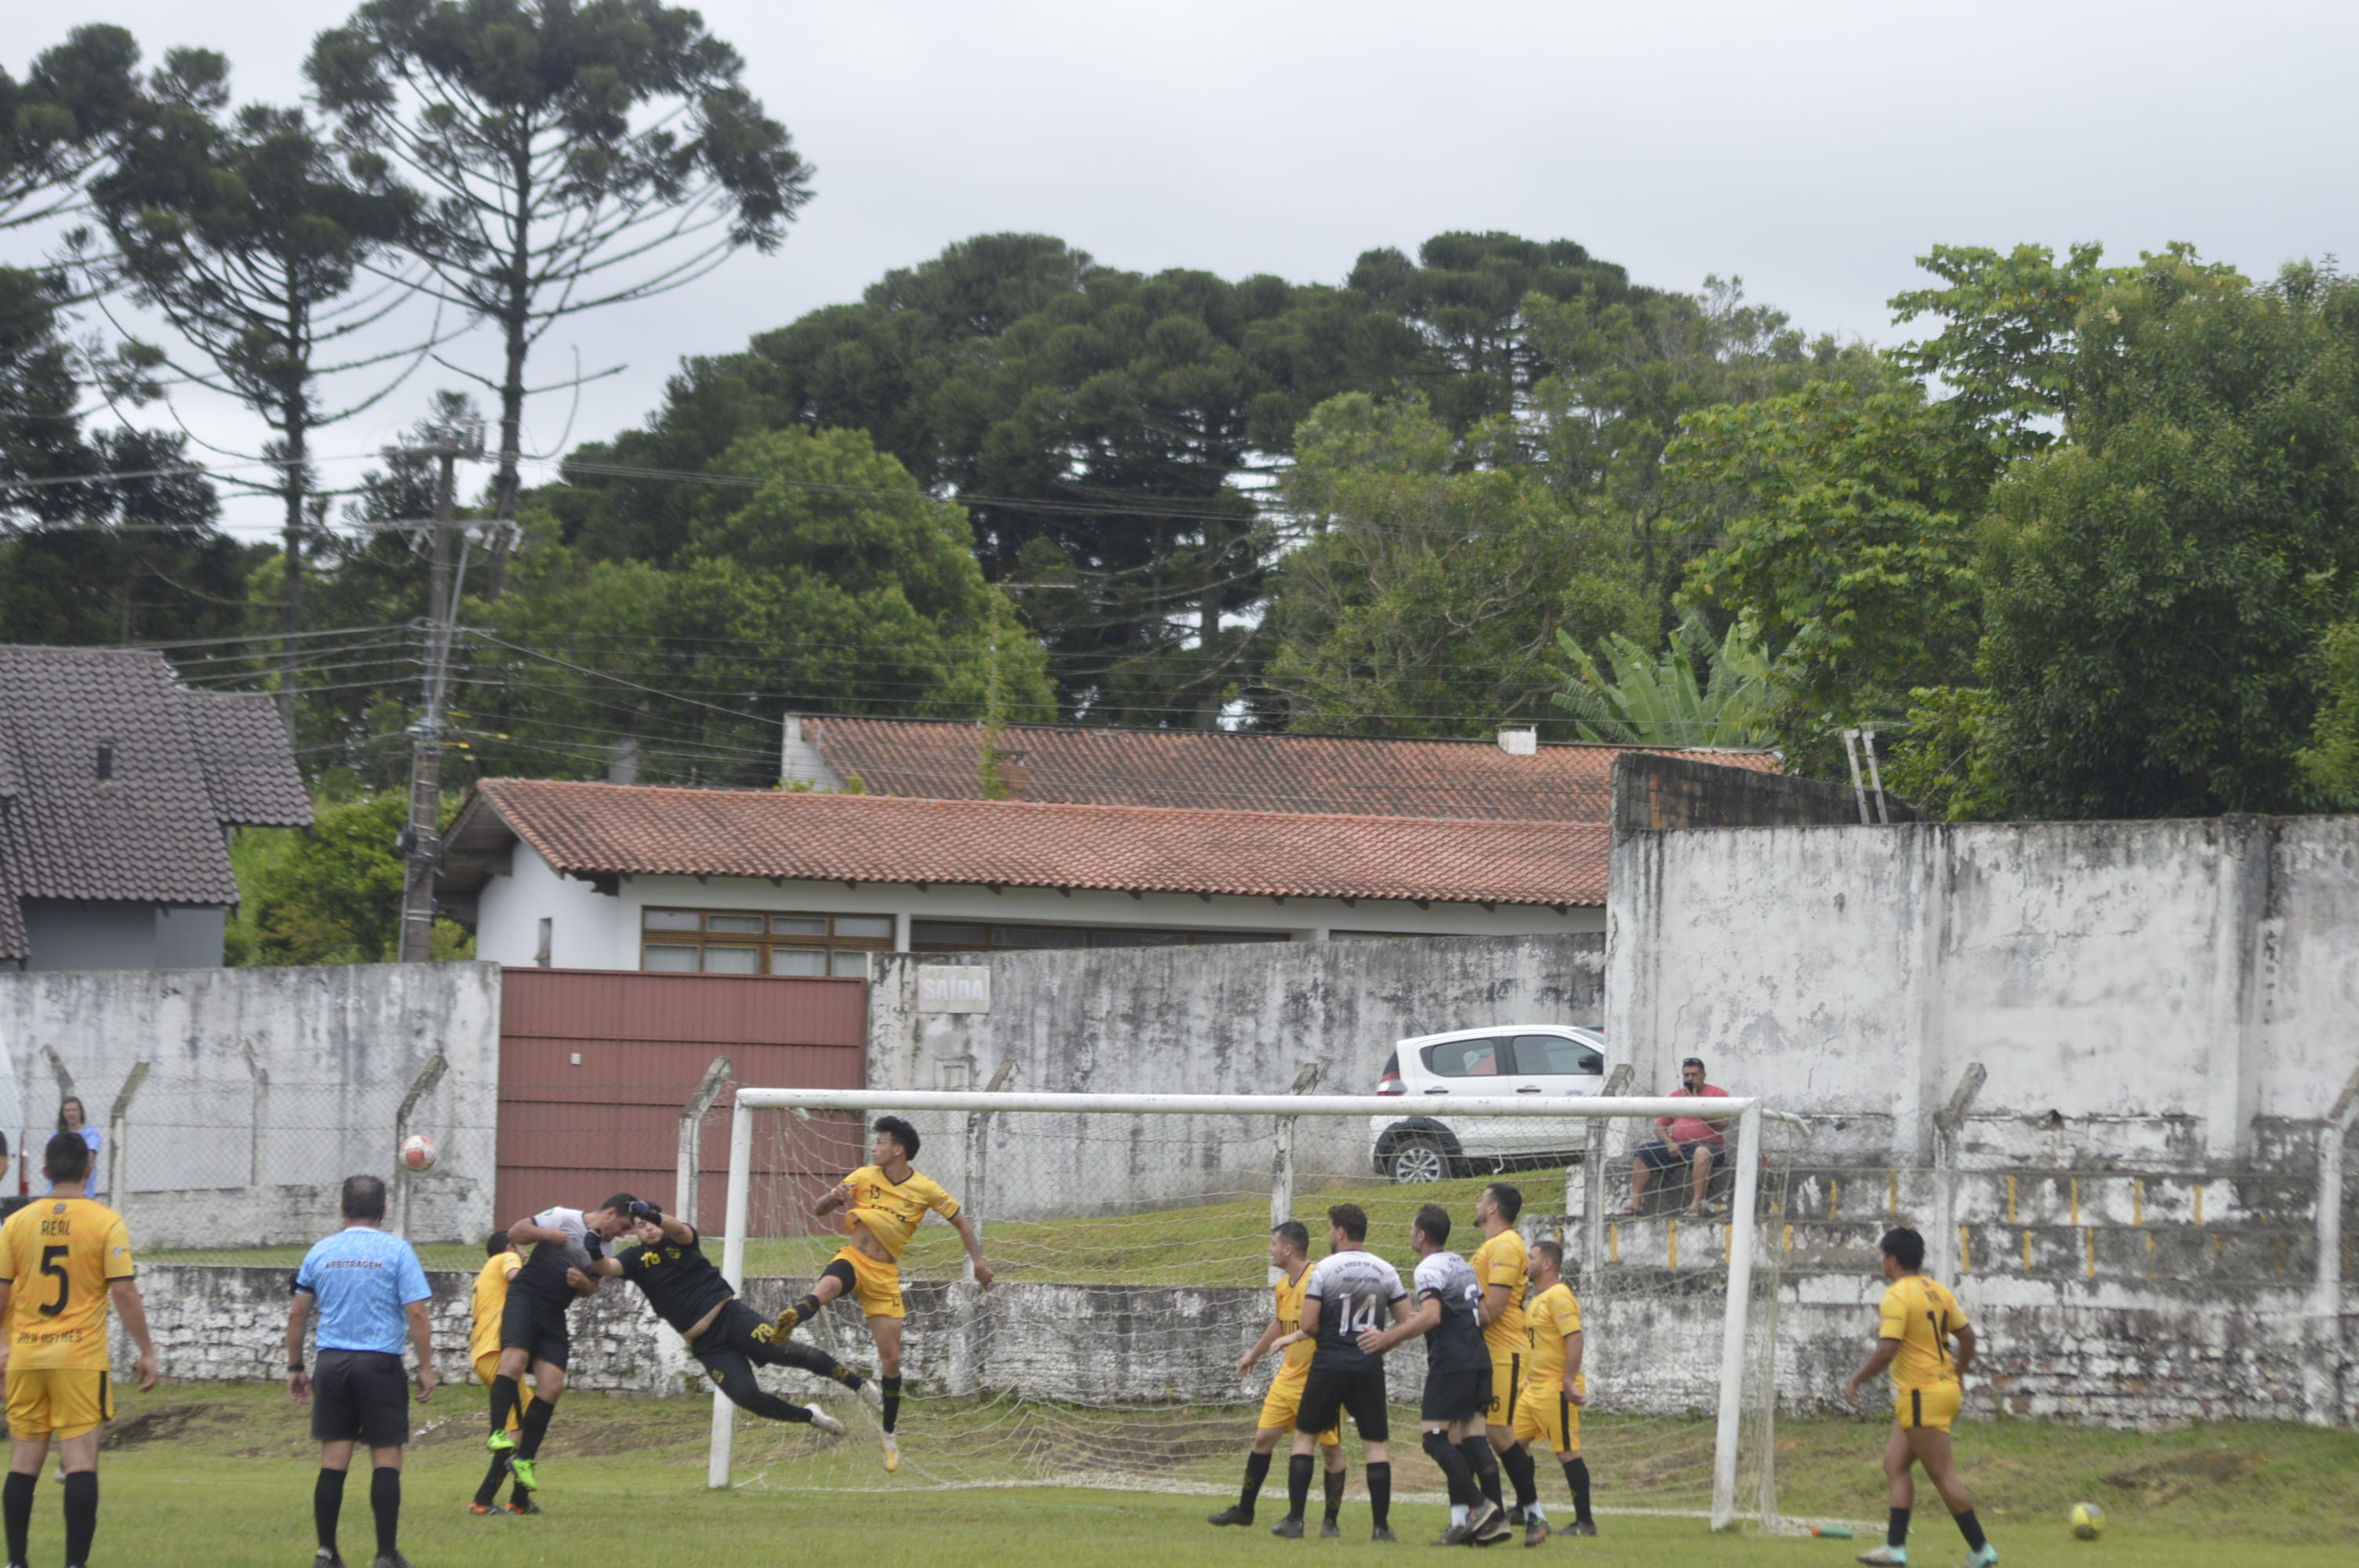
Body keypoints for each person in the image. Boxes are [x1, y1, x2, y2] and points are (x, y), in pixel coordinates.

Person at [768, 1116, 992, 1472]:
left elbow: (962, 1222)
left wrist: (979, 1263)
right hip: (854, 1258)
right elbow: (819, 1208)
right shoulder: (862, 1176)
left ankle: (888, 1435)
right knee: (826, 1287)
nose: (874, 1148)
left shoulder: (926, 1189)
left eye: (880, 1142)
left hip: (885, 1276)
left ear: (898, 1149)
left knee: (891, 1361)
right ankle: (791, 1318)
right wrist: (833, 1197)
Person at [0, 1131, 158, 1568]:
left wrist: (1, 1344)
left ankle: (16, 1561)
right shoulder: (105, 1222)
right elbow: (124, 1292)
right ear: (89, 1170)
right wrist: (146, 1350)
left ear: (45, 1172)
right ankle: (74, 1565)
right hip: (80, 1358)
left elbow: (1, 1292)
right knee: (81, 1463)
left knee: (22, 1464)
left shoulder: (16, 1223)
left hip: (27, 1356)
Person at [591, 1200, 871, 1436]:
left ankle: (859, 1385)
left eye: (652, 1222)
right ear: (636, 1234)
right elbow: (607, 1266)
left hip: (731, 1318)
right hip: (708, 1346)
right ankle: (810, 1416)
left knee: (787, 1352)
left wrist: (654, 1216)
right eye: (641, 1226)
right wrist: (592, 1250)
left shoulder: (681, 1239)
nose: (649, 1229)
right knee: (746, 1397)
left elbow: (677, 1228)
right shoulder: (634, 1259)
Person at [285, 1174, 434, 1568]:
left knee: (333, 1459)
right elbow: (416, 1311)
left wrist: (296, 1366)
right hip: (379, 1363)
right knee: (386, 1458)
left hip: (332, 1364)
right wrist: (426, 1367)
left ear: (342, 1209)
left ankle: (326, 1552)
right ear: (384, 1211)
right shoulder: (397, 1251)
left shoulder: (321, 1251)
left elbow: (298, 1312)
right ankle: (385, 1555)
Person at [1843, 1226, 1997, 1568]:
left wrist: (1856, 1380)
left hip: (1921, 1393)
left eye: (1884, 1258)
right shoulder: (1937, 1291)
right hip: (1942, 1389)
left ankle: (1982, 1550)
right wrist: (1958, 1373)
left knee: (1943, 1475)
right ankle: (1895, 1549)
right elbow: (1968, 1338)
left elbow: (1887, 1350)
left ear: (1893, 1260)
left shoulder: (1897, 1296)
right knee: (1895, 1464)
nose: (1882, 1264)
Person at [1354, 1203, 1503, 1547]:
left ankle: (1481, 1509)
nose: (1410, 1234)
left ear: (1421, 1235)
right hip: (1479, 1358)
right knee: (1473, 1439)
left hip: (1451, 1363)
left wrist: (1387, 1339)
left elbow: (1432, 1315)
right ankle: (1495, 1521)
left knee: (1433, 1438)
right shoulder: (1462, 1265)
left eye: (1411, 1229)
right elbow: (1483, 1314)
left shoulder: (1428, 1269)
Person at [1274, 1203, 1409, 1542]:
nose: (1328, 1234)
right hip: (1368, 1364)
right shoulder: (1385, 1270)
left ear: (1340, 1232)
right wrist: (1383, 1341)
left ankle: (1295, 1521)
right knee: (1375, 1446)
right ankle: (1381, 1528)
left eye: (1330, 1228)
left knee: (1305, 1437)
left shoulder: (1324, 1270)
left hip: (1330, 1363)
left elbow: (1308, 1324)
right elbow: (1407, 1320)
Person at [484, 1194, 635, 1496]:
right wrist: (548, 1235)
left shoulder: (607, 1247)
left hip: (554, 1312)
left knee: (552, 1386)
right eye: (624, 1225)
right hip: (525, 1298)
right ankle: (498, 1432)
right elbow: (515, 1233)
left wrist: (583, 1283)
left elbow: (592, 1287)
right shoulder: (564, 1217)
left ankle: (524, 1459)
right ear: (609, 1212)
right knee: (513, 1362)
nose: (623, 1233)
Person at [1206, 1221, 1346, 1534]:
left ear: (1288, 1249)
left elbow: (1322, 1324)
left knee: (1330, 1449)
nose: (1268, 1250)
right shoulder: (1283, 1286)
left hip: (1318, 1379)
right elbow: (1279, 1323)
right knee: (1263, 1438)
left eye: (1272, 1244)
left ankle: (1330, 1521)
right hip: (1287, 1378)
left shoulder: (1319, 1278)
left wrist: (1293, 1339)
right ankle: (1245, 1510)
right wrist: (1253, 1355)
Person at [1510, 1239, 1594, 1544]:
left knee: (1567, 1452)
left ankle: (1585, 1521)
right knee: (1513, 1445)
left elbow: (1575, 1338)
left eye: (1531, 1257)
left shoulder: (1559, 1296)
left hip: (1555, 1388)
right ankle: (1523, 1507)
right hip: (1533, 1390)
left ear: (1547, 1263)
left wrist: (1569, 1381)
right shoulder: (1538, 1297)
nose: (1526, 1261)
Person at [1467, 1181, 1539, 1526]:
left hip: (1503, 1349)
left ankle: (1530, 1510)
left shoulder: (1507, 1245)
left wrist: (1451, 1320)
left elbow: (1494, 1308)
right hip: (1487, 1350)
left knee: (1498, 1432)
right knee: (1471, 1432)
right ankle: (1490, 1511)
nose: (1478, 1204)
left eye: (1482, 1199)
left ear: (1493, 1208)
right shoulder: (1494, 1245)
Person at [467, 1232, 537, 1516]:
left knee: (531, 1418)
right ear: (510, 1246)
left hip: (487, 1353)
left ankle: (520, 1499)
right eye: (522, 1246)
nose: (524, 1251)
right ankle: (483, 1500)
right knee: (516, 1430)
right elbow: (516, 1276)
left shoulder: (485, 1272)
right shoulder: (506, 1258)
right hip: (497, 1353)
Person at [1619, 1057, 1732, 1218]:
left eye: (1694, 1075)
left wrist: (1697, 1106)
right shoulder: (1676, 1096)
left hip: (1709, 1148)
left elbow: (1723, 1123)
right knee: (1644, 1152)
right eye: (1686, 1075)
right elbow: (1660, 1127)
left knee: (1702, 1153)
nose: (1690, 1079)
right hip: (1678, 1147)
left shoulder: (1717, 1094)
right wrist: (1670, 1143)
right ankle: (1636, 1203)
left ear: (1703, 1075)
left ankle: (1696, 1204)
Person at [45, 1102, 100, 1200]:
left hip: (84, 1192)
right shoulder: (56, 1135)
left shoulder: (91, 1134)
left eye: (74, 1110)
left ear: (81, 1112)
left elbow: (89, 1156)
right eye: (67, 1111)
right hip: (56, 1193)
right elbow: (47, 1156)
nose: (71, 1114)